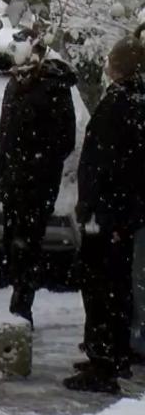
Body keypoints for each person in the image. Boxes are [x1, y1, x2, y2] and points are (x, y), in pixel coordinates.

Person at [64, 24, 145, 393]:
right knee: (113, 286)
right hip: (122, 212)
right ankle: (109, 354)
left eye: (112, 60)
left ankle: (104, 361)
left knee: (102, 287)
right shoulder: (134, 101)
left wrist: (91, 205)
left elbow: (104, 162)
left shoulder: (121, 104)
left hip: (110, 212)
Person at [0, 35, 77, 325]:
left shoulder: (54, 88)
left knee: (28, 243)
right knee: (13, 244)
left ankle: (22, 305)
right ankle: (19, 294)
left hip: (37, 182)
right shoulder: (14, 85)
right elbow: (6, 129)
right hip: (13, 181)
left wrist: (33, 162)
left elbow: (64, 140)